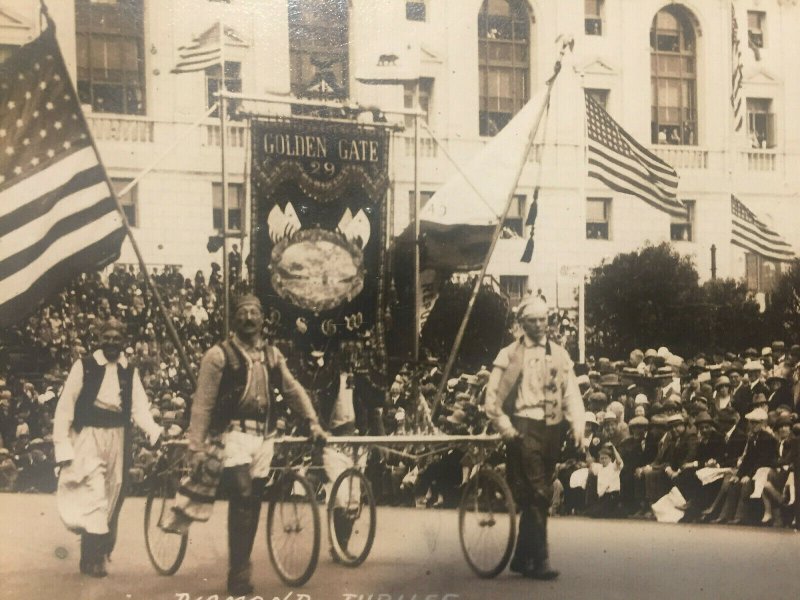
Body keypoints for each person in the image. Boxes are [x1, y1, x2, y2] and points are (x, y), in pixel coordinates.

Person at [172, 294, 326, 595]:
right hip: (231, 435)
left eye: (254, 312)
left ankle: (241, 562)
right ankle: (239, 573)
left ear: (263, 319)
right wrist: (196, 446)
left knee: (253, 500)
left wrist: (313, 421)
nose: (248, 318)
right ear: (234, 319)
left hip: (263, 436)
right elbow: (202, 404)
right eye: (242, 313)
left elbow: (293, 390)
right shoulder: (218, 356)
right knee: (242, 493)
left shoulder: (271, 355)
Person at [53, 317, 163, 577]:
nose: (112, 343)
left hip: (119, 438)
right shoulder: (85, 366)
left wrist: (153, 431)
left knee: (112, 494)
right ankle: (93, 558)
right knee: (94, 492)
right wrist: (63, 445)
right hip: (88, 436)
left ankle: (95, 553)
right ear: (100, 339)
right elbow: (65, 406)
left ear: (123, 341)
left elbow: (139, 408)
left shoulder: (129, 371)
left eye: (117, 338)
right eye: (107, 338)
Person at [485, 297, 584, 580]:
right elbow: (491, 399)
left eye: (544, 320)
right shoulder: (508, 355)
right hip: (523, 426)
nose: (540, 326)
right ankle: (540, 560)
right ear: (521, 323)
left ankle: (519, 557)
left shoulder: (560, 354)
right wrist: (505, 427)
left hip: (552, 428)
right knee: (541, 493)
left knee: (535, 497)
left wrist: (578, 425)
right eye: (533, 320)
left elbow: (571, 393)